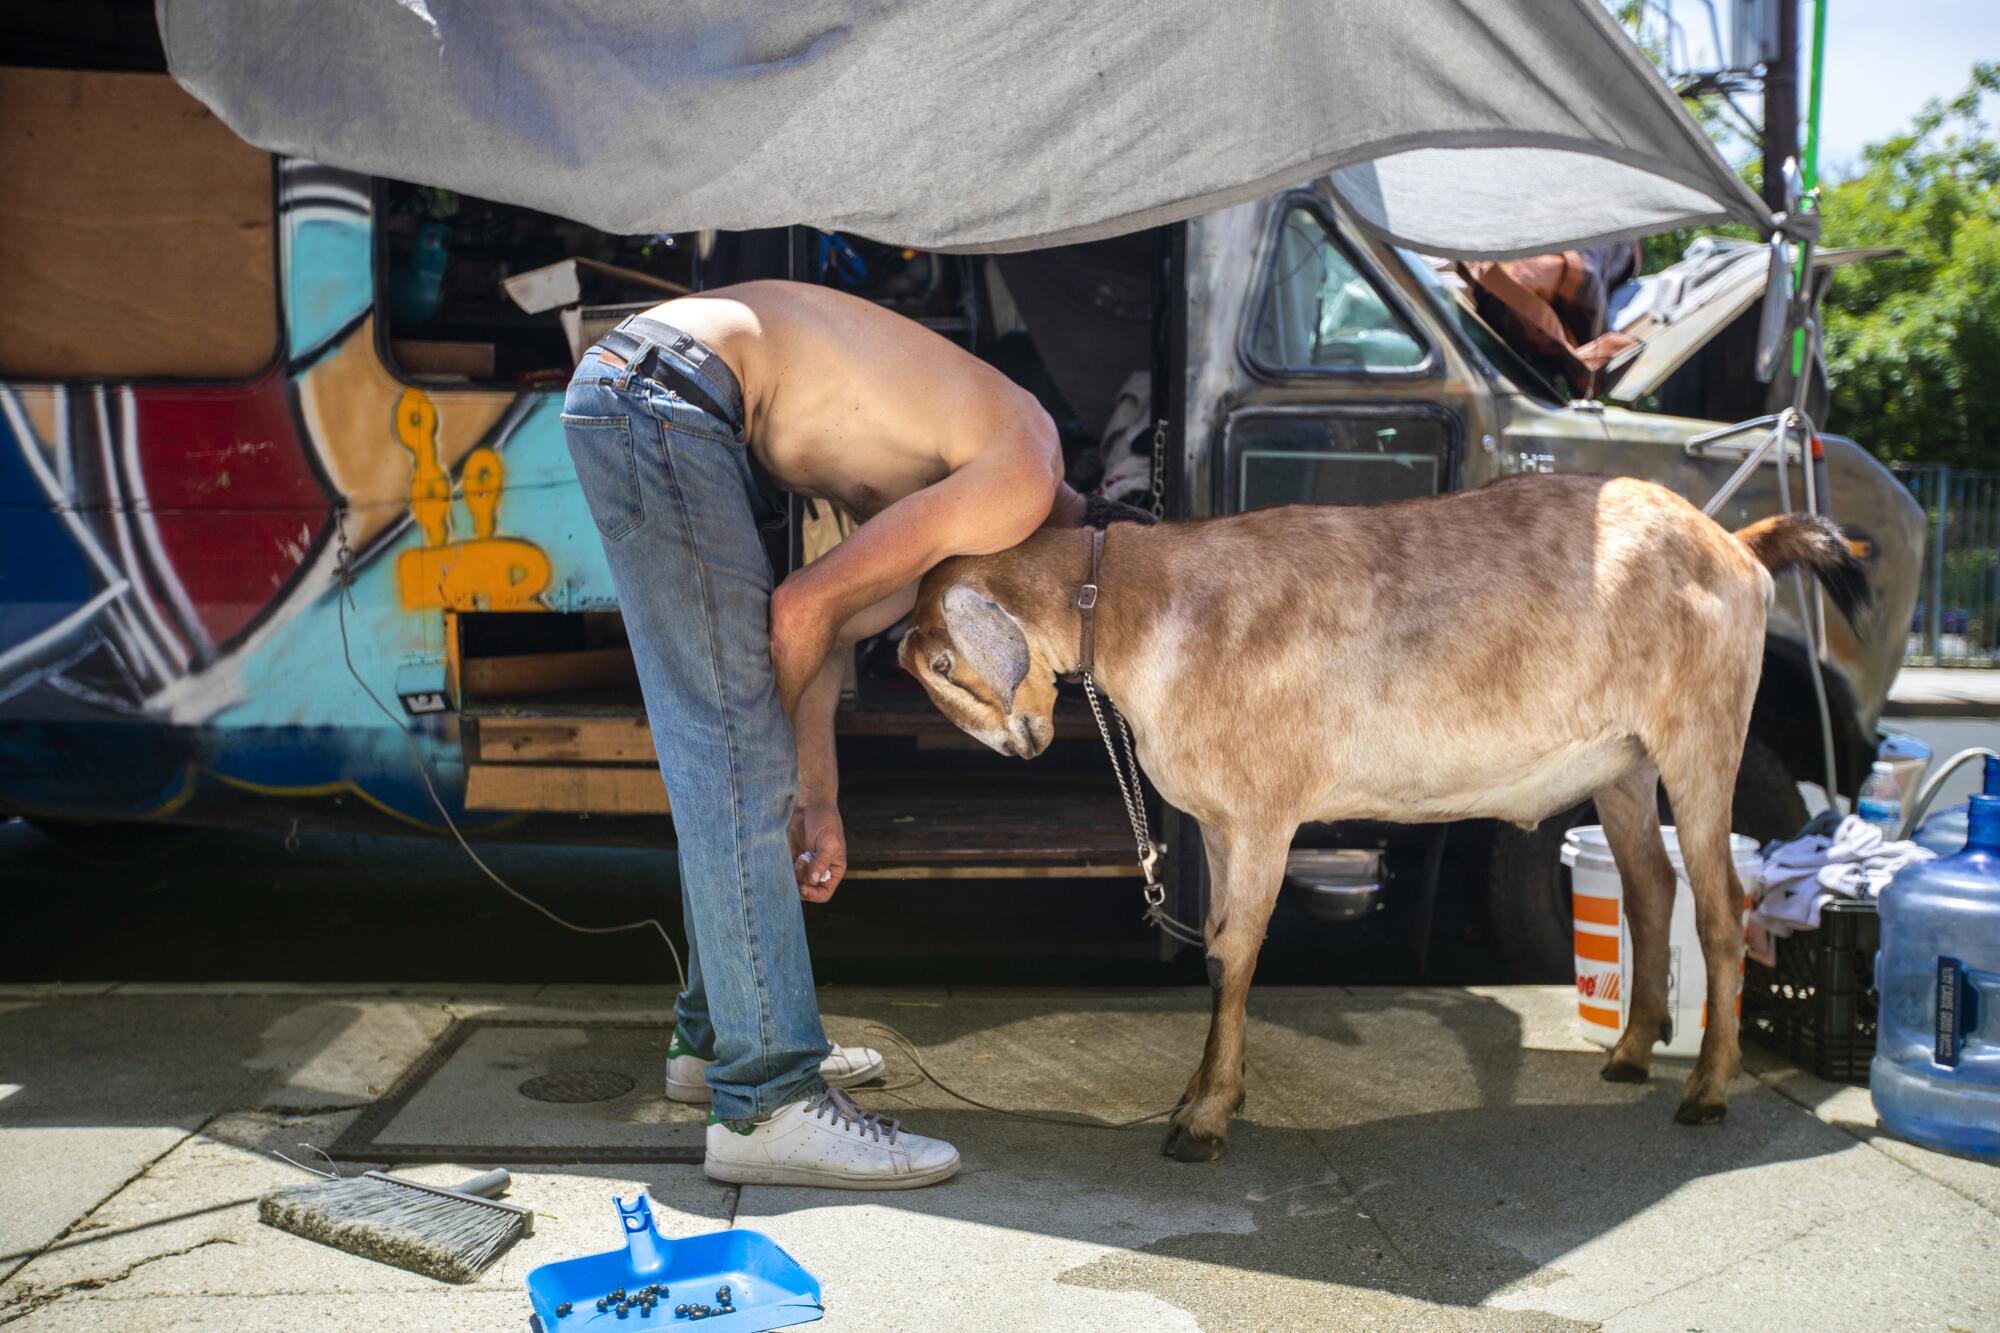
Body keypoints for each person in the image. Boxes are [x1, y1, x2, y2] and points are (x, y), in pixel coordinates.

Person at [561, 280, 1084, 1188]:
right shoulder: (1021, 478)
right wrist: (758, 759)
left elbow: (831, 626)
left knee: (742, 756)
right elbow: (801, 611)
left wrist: (818, 799)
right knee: (732, 754)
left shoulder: (948, 487)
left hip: (656, 385)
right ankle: (768, 1103)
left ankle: (718, 1037)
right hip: (666, 391)